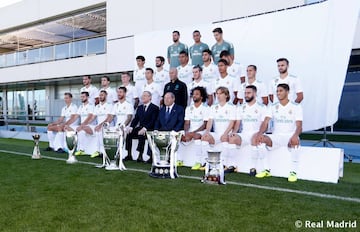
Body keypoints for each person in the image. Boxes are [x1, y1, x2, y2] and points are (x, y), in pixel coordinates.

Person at [254, 83, 303, 182]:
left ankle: (293, 172)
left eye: (280, 91)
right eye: (277, 91)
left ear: (287, 92)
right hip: (276, 136)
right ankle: (266, 169)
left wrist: (295, 135)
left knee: (296, 141)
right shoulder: (273, 106)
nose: (278, 93)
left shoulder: (296, 106)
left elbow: (299, 126)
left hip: (290, 136)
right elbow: (265, 122)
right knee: (260, 139)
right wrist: (259, 133)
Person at [228, 85, 271, 176]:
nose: (246, 95)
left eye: (249, 93)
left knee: (255, 138)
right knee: (232, 138)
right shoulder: (241, 107)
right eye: (245, 93)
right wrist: (234, 132)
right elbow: (238, 123)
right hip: (244, 134)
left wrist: (259, 133)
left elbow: (265, 124)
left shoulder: (262, 107)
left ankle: (253, 167)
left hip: (256, 133)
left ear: (255, 94)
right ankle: (232, 165)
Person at [201, 87, 236, 169]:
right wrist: (207, 131)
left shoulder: (231, 107)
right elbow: (210, 121)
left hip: (227, 133)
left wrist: (225, 133)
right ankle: (206, 162)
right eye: (217, 93)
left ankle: (224, 163)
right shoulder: (214, 107)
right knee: (204, 138)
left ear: (226, 95)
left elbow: (232, 122)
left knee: (225, 139)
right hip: (217, 133)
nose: (218, 95)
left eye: (220, 93)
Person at [126, 91, 159, 163]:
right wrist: (131, 127)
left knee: (141, 134)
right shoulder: (140, 107)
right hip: (141, 127)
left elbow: (153, 120)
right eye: (142, 96)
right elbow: (136, 119)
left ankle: (140, 156)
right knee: (129, 133)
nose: (142, 97)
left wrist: (145, 128)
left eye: (145, 96)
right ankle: (129, 154)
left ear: (150, 97)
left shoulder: (155, 108)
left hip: (150, 129)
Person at [182, 86, 210, 170]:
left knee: (196, 136)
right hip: (191, 131)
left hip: (201, 131)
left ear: (201, 97)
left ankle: (199, 162)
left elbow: (205, 124)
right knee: (178, 135)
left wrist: (193, 132)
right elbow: (187, 123)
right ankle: (179, 159)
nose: (194, 96)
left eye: (197, 94)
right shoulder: (188, 108)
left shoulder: (206, 108)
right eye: (193, 94)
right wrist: (186, 132)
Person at [66, 91, 96, 156]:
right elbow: (75, 117)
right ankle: (70, 147)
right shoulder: (81, 107)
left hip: (90, 126)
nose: (82, 98)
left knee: (81, 131)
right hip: (82, 125)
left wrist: (82, 125)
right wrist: (66, 124)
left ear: (87, 97)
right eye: (81, 97)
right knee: (67, 128)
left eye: (83, 97)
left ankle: (82, 150)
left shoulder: (91, 106)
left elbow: (89, 117)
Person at [111, 87, 134, 160]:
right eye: (118, 92)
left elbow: (129, 117)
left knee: (122, 132)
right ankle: (113, 153)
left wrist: (123, 126)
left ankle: (122, 154)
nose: (119, 94)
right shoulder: (116, 105)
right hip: (117, 126)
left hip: (126, 126)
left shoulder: (128, 105)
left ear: (125, 93)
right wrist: (106, 124)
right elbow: (112, 116)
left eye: (120, 92)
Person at [90, 90, 114, 158]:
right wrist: (84, 124)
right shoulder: (97, 106)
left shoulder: (109, 105)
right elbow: (93, 117)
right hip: (99, 126)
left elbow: (109, 117)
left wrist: (101, 125)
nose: (100, 97)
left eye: (102, 95)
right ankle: (99, 151)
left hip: (107, 125)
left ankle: (104, 152)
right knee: (97, 132)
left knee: (101, 132)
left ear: (106, 96)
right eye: (100, 95)